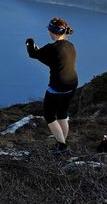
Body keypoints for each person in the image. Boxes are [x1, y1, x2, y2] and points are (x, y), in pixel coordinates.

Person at [25, 17, 78, 154]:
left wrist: (29, 42)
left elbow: (32, 54)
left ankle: (62, 146)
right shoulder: (70, 46)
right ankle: (62, 144)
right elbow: (57, 62)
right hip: (72, 85)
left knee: (49, 115)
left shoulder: (51, 48)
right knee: (62, 113)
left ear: (52, 31)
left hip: (58, 86)